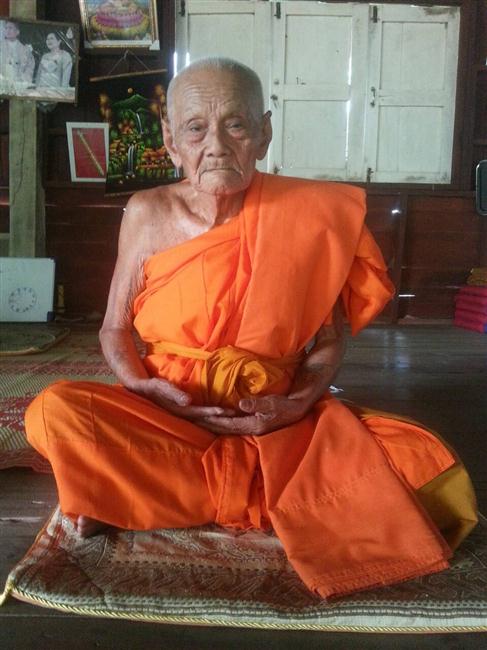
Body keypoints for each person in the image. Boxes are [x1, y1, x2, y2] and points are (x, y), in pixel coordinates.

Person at [25, 58, 478, 600]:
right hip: (169, 415)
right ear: (170, 140)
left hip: (276, 422)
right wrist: (145, 388)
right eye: (196, 128)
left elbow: (329, 340)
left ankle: (134, 493)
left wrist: (299, 402)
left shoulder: (313, 213)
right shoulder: (147, 212)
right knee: (54, 411)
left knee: (425, 469)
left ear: (264, 133)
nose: (216, 145)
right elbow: (113, 331)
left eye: (235, 125)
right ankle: (272, 500)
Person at [0, 21, 35, 94]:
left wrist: (22, 80)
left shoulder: (25, 49)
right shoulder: (1, 46)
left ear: (17, 32)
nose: (7, 30)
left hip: (19, 86)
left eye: (10, 28)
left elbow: (30, 67)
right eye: (6, 28)